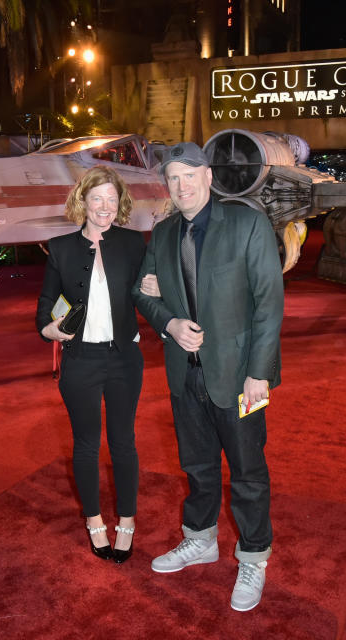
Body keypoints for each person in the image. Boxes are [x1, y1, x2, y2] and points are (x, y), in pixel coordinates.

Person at [132, 142, 283, 612]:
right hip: (185, 375)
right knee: (197, 468)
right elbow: (141, 290)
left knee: (248, 473)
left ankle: (254, 556)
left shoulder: (247, 223)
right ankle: (200, 540)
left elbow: (269, 304)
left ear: (209, 177)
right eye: (173, 179)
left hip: (240, 378)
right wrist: (169, 324)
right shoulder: (163, 232)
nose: (181, 186)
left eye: (189, 176)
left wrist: (260, 374)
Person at [36, 166, 147, 564]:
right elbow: (47, 302)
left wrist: (156, 291)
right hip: (80, 360)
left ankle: (128, 522)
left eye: (112, 200)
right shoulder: (61, 247)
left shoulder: (134, 243)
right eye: (97, 198)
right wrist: (47, 328)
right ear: (82, 201)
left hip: (124, 359)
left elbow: (149, 290)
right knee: (86, 444)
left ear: (121, 205)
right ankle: (95, 520)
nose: (105, 206)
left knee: (123, 443)